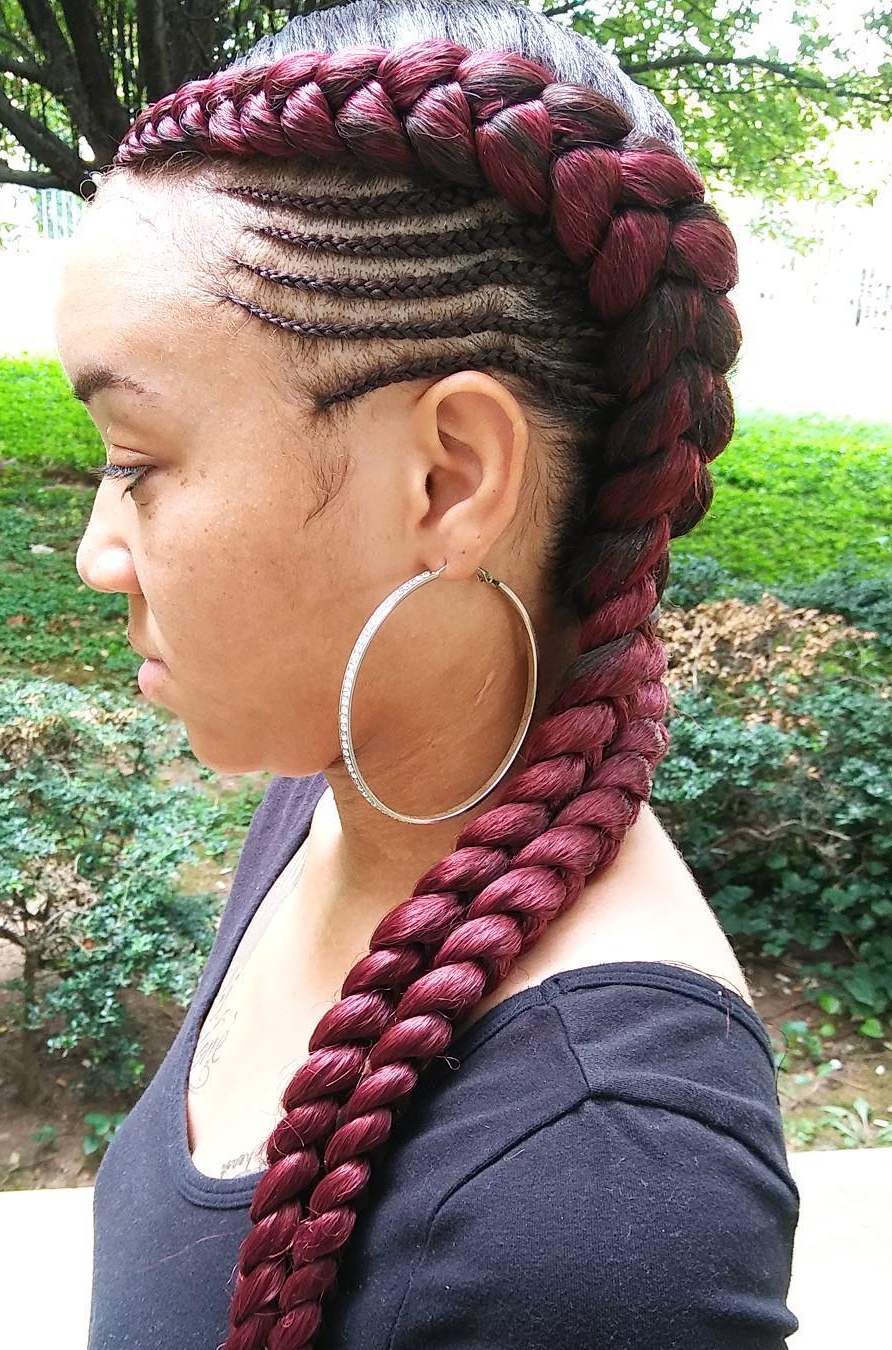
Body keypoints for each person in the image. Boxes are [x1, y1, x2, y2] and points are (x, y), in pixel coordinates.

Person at [54, 2, 800, 1346]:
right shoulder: (353, 785)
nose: (100, 552)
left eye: (139, 458)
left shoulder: (600, 1212)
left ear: (450, 476)